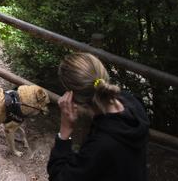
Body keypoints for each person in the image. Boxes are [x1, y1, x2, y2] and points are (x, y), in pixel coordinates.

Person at [47, 52, 149, 181]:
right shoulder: (132, 103)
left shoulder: (100, 146)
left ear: (72, 96)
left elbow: (59, 177)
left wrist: (65, 131)